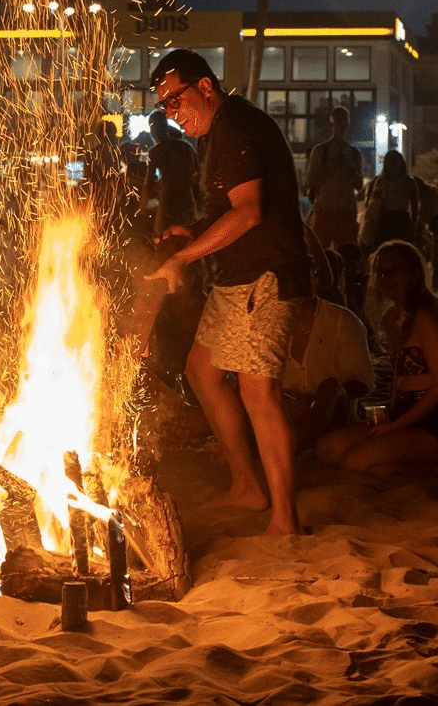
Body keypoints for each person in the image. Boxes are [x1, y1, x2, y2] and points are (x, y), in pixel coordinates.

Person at [143, 49, 314, 536]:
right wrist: (190, 231)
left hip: (268, 275)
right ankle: (247, 486)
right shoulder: (216, 135)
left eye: (177, 100)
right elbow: (226, 211)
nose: (174, 114)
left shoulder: (237, 127)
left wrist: (185, 256)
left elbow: (249, 213)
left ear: (205, 86)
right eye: (166, 108)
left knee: (260, 393)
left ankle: (285, 519)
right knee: (202, 370)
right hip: (237, 277)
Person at [317, 241, 438, 473]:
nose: (386, 277)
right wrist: (388, 416)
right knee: (326, 448)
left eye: (395, 269)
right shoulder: (391, 318)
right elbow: (399, 379)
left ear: (415, 273)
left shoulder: (426, 316)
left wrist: (395, 426)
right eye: (380, 271)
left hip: (436, 422)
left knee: (353, 461)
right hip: (402, 412)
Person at [276, 289, 373, 451]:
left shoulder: (341, 320)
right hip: (286, 414)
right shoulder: (274, 325)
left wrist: (317, 401)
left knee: (331, 387)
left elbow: (363, 382)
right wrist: (285, 401)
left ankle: (294, 447)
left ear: (313, 280)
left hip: (334, 417)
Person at [304, 106, 363, 250]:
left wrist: (353, 174)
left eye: (344, 121)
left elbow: (359, 185)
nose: (342, 125)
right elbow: (310, 181)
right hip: (326, 210)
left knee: (346, 252)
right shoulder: (321, 151)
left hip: (345, 211)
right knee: (321, 253)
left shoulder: (354, 153)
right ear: (332, 123)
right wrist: (330, 168)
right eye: (338, 121)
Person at [143, 110, 199, 239]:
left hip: (168, 203)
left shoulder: (156, 151)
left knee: (161, 238)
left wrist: (143, 204)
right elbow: (199, 173)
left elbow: (149, 182)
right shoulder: (186, 146)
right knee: (188, 239)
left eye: (153, 127)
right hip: (187, 201)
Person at [363, 150, 418, 248]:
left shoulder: (408, 182)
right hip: (384, 219)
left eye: (395, 160)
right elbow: (372, 203)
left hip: (401, 219)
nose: (392, 164)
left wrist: (413, 225)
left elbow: (415, 204)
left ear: (401, 163)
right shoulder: (380, 182)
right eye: (390, 161)